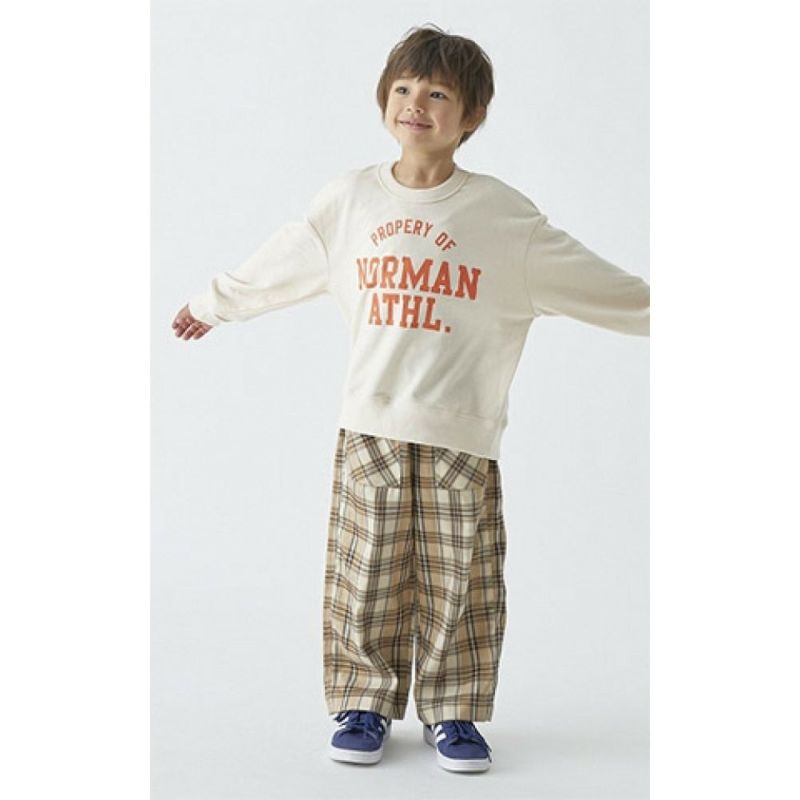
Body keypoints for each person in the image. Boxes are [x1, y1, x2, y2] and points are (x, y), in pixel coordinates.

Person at [172, 23, 649, 773]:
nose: (415, 104)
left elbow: (605, 286)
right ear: (383, 100)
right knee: (364, 571)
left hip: (463, 430)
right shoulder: (350, 200)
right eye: (402, 89)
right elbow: (286, 258)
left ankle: (452, 709)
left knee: (461, 577)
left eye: (437, 93)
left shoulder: (503, 218)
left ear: (472, 116)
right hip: (371, 422)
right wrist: (214, 303)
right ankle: (363, 701)